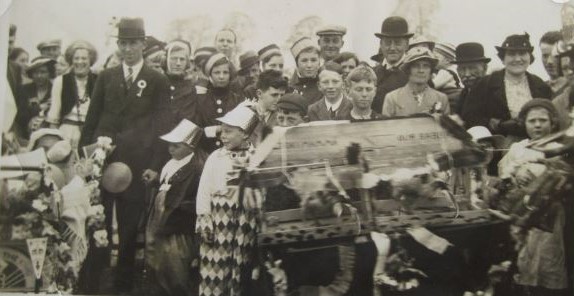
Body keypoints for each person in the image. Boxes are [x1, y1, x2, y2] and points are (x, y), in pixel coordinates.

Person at [79, 17, 171, 293]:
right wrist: (85, 157)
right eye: (123, 43)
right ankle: (93, 283)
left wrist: (155, 165)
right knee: (98, 222)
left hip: (137, 164)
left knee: (130, 229)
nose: (128, 49)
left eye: (133, 43)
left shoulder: (157, 79)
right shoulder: (106, 77)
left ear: (143, 44)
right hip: (101, 163)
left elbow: (162, 127)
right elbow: (92, 119)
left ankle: (122, 285)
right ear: (118, 45)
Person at [497, 99, 569, 296]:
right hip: (520, 210)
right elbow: (503, 175)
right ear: (524, 123)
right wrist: (515, 174)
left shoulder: (559, 148)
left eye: (543, 120)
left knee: (548, 255)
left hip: (549, 212)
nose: (537, 125)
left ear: (552, 122)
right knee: (522, 255)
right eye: (532, 121)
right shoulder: (517, 148)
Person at [195, 105, 262, 296]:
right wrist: (204, 219)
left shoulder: (256, 158)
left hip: (245, 220)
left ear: (245, 135)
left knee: (240, 265)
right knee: (215, 265)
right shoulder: (216, 157)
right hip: (219, 218)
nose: (222, 136)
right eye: (222, 131)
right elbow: (204, 190)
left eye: (228, 132)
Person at [145, 119, 207, 296]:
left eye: (176, 146)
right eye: (169, 145)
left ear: (191, 146)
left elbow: (198, 196)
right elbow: (169, 181)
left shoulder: (198, 167)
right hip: (161, 215)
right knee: (157, 256)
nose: (171, 149)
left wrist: (180, 207)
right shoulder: (172, 161)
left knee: (175, 263)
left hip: (179, 223)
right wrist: (157, 181)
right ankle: (159, 287)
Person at [462, 33, 552, 139]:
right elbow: (470, 117)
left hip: (535, 143)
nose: (518, 59)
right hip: (497, 147)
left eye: (522, 53)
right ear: (503, 58)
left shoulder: (540, 85)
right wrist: (498, 125)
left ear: (529, 57)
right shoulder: (485, 84)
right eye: (512, 54)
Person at [46, 40, 98, 148]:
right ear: (71, 60)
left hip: (91, 135)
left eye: (84, 58)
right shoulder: (61, 81)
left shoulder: (99, 80)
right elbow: (54, 115)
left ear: (90, 60)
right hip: (66, 133)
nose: (80, 62)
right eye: (76, 58)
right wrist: (54, 142)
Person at [193, 53, 243, 153]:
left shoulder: (238, 100)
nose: (221, 76)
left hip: (232, 155)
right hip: (206, 156)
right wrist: (215, 130)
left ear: (230, 75)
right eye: (216, 72)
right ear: (210, 75)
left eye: (225, 72)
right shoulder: (200, 100)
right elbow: (194, 133)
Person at [382, 47, 450, 117]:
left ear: (431, 71)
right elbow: (386, 127)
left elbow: (447, 126)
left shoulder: (441, 98)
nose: (421, 70)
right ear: (408, 70)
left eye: (426, 66)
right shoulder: (392, 98)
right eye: (416, 66)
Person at [372, 16, 412, 113]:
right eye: (388, 43)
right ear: (381, 45)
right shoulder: (372, 73)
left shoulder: (415, 73)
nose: (392, 48)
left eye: (397, 43)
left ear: (406, 45)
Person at [17, 57, 56, 138]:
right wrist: (38, 107)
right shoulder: (24, 90)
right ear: (31, 74)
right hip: (25, 135)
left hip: (48, 135)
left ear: (50, 73)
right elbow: (19, 116)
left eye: (43, 72)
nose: (39, 76)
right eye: (35, 72)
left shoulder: (55, 90)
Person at [164, 39, 197, 126]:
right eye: (174, 59)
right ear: (166, 60)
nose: (178, 63)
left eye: (182, 59)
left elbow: (186, 121)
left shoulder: (189, 88)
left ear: (187, 63)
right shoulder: (157, 83)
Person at [453, 42, 491, 116]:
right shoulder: (464, 93)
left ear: (485, 68)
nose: (467, 74)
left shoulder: (495, 93)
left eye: (472, 68)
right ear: (457, 71)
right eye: (462, 69)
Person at [289, 37, 323, 108]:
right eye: (304, 61)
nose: (309, 65)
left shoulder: (324, 84)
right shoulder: (289, 87)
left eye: (313, 60)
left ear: (319, 62)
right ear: (297, 63)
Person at [432, 42, 462, 111]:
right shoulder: (450, 70)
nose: (433, 60)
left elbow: (432, 85)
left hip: (451, 101)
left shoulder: (446, 72)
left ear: (447, 61)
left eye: (436, 57)